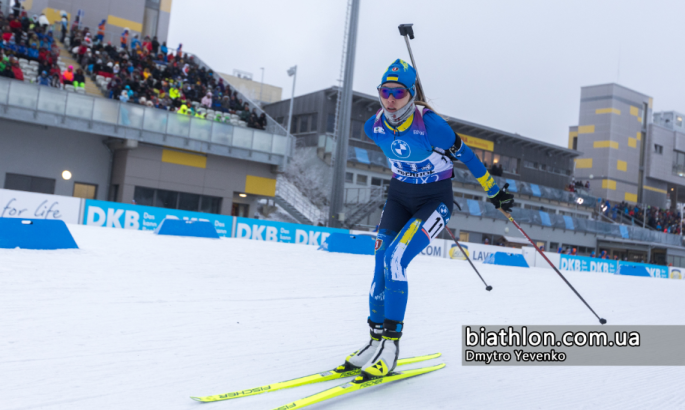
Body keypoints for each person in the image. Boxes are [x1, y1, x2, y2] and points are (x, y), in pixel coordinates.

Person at [344, 59, 514, 378]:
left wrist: (494, 190)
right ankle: (374, 341)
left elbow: (469, 158)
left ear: (411, 94)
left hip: (434, 202)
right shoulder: (374, 126)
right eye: (384, 91)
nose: (390, 98)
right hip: (398, 198)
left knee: (395, 260)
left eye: (398, 92)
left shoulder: (432, 125)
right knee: (380, 259)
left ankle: (391, 347)